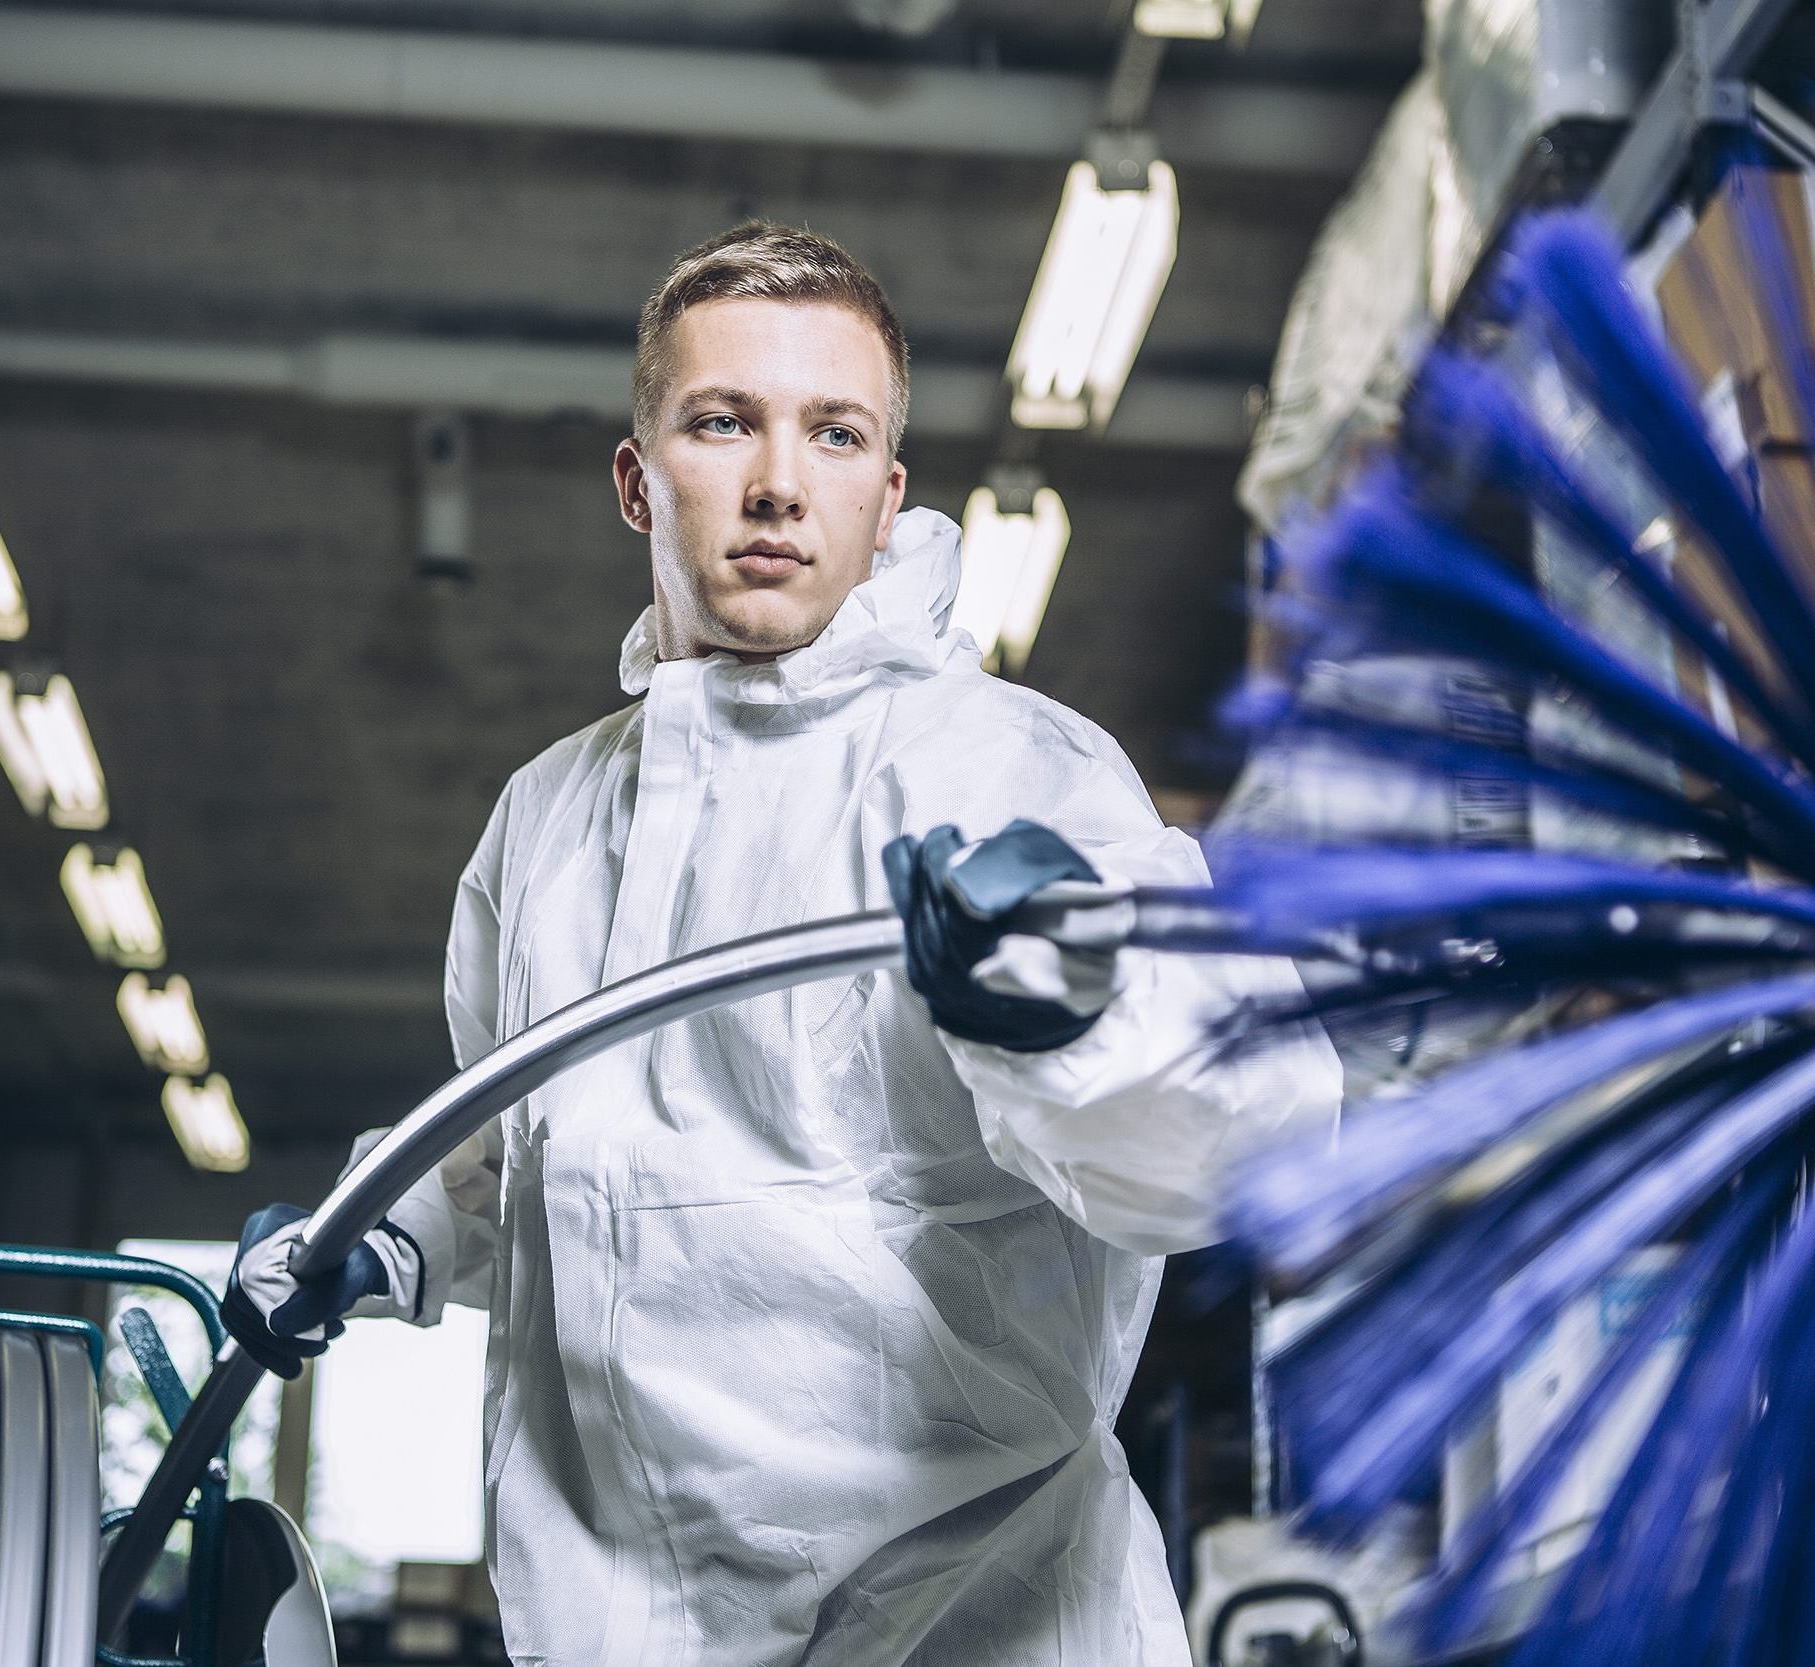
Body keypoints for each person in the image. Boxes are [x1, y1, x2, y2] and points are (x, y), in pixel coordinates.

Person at [225, 222, 1340, 1665]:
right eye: (720, 423)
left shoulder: (1003, 773)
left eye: (832, 435)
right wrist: (380, 1237)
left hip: (978, 1619)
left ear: (887, 500)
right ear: (638, 480)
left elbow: (1249, 1144)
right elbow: (526, 1153)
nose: (773, 484)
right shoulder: (550, 822)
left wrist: (1072, 1006)